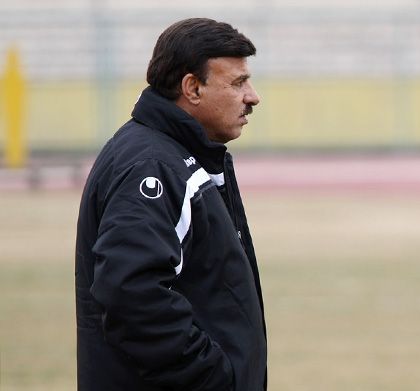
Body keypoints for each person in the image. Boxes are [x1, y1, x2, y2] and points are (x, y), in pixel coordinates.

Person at [75, 18, 266, 390]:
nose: (252, 96)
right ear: (192, 88)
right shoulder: (153, 166)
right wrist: (212, 376)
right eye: (238, 83)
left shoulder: (180, 156)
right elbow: (130, 292)